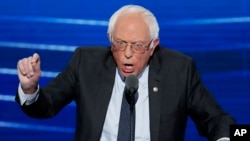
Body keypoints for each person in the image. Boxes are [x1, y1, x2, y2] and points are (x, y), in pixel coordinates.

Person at [16, 4, 235, 141]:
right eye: (120, 44)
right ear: (110, 40)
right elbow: (46, 105)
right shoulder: (86, 62)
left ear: (153, 46)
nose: (127, 54)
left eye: (138, 45)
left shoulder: (179, 70)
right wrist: (30, 88)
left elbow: (217, 119)